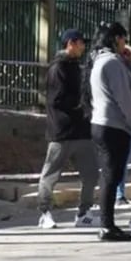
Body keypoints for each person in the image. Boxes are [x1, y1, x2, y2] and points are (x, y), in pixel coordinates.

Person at [35, 29, 97, 229]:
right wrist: (82, 103)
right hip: (62, 132)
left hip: (82, 131)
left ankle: (84, 212)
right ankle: (44, 212)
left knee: (91, 174)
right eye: (80, 43)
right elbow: (56, 100)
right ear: (70, 43)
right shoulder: (58, 68)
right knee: (51, 174)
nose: (83, 47)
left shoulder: (77, 67)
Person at [86, 22, 131, 241]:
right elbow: (125, 97)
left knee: (112, 175)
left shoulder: (99, 61)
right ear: (116, 38)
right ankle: (107, 225)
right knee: (111, 175)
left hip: (102, 122)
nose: (125, 44)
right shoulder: (112, 63)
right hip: (113, 125)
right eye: (124, 39)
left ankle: (109, 223)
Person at [114, 45, 131, 206]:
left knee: (120, 160)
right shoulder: (126, 71)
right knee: (121, 160)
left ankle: (118, 194)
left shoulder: (124, 70)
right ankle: (118, 194)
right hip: (125, 122)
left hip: (124, 121)